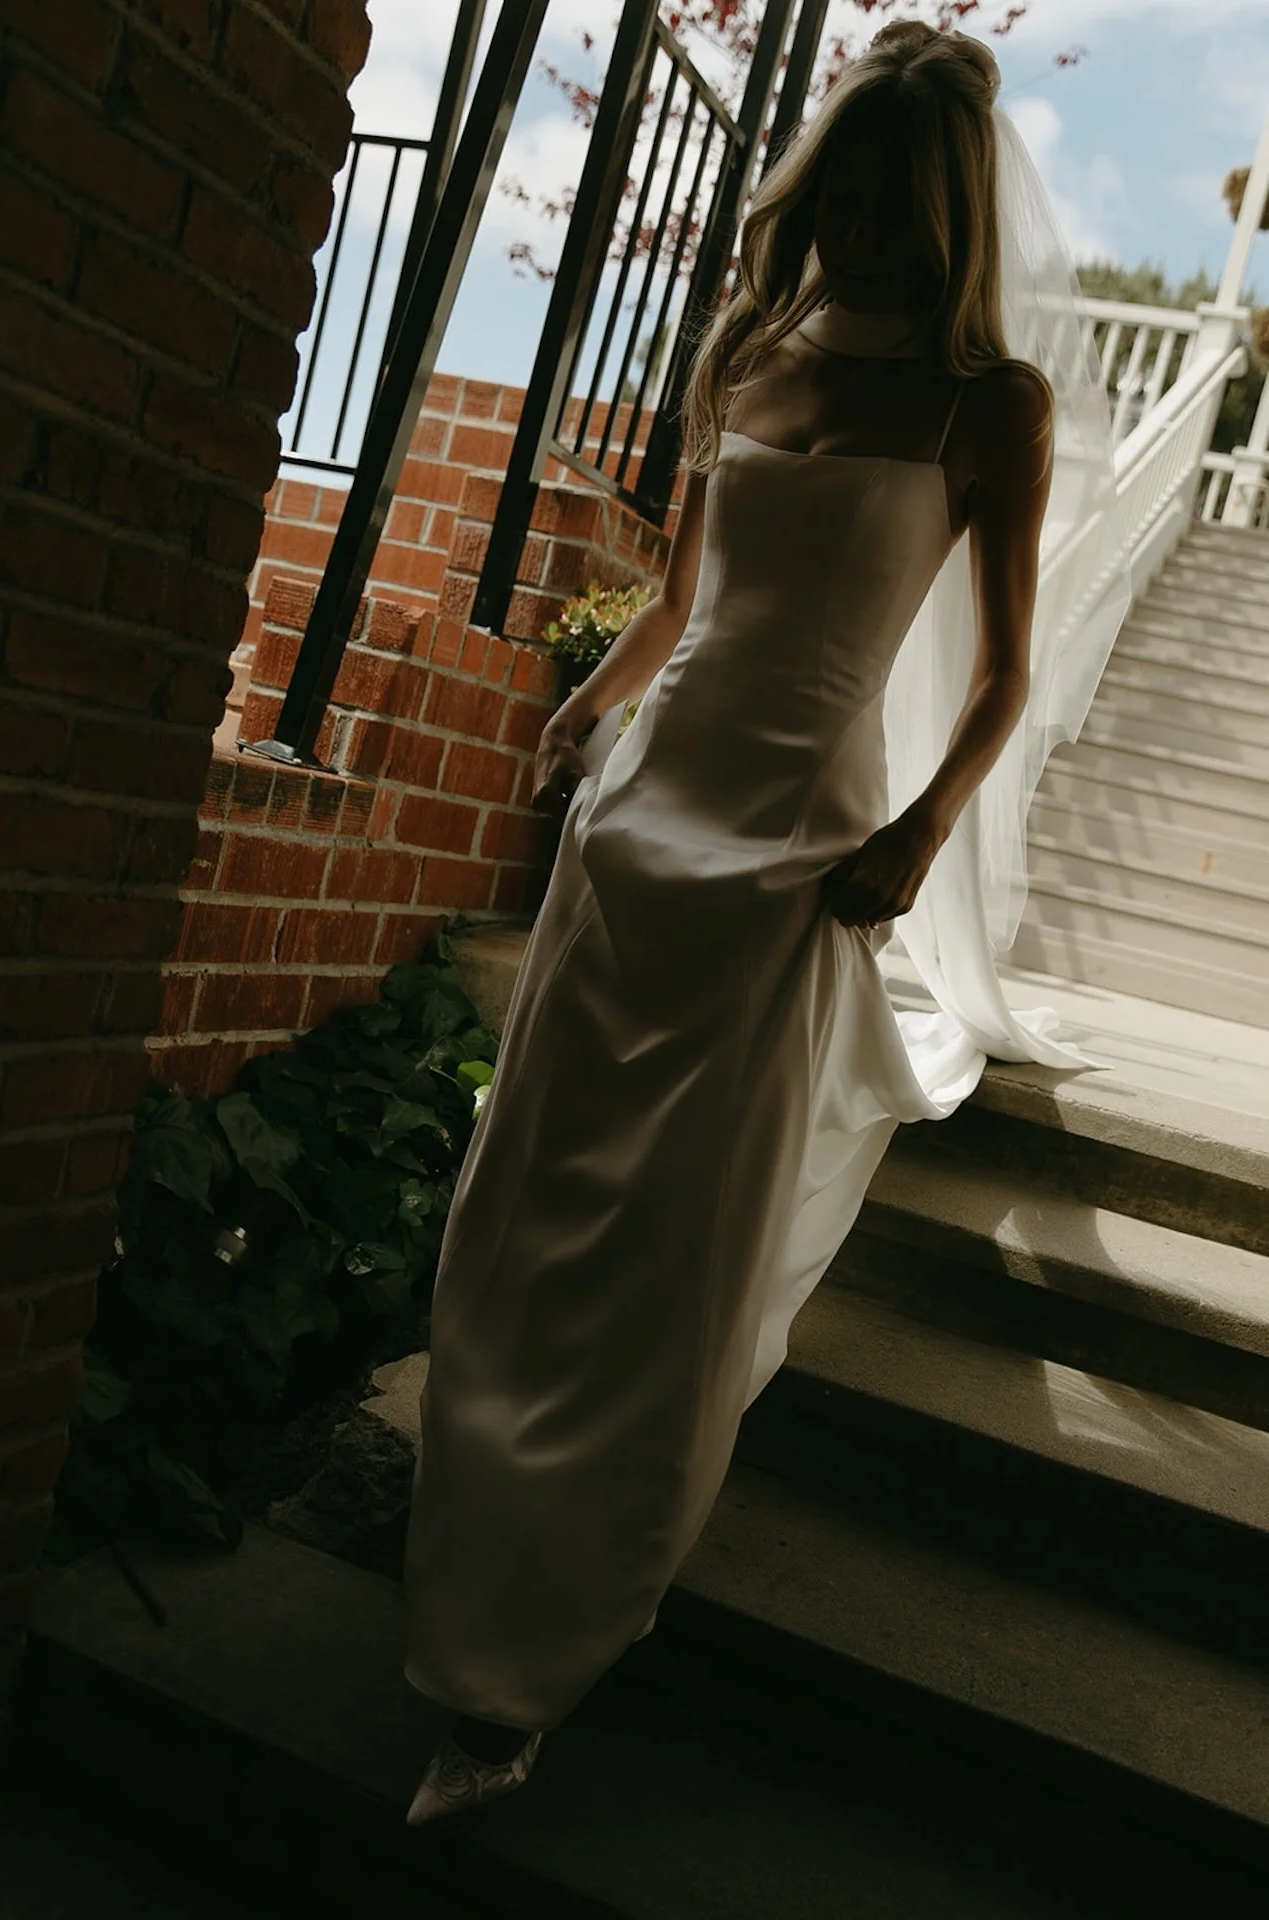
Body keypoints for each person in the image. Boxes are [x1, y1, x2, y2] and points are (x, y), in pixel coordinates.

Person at [401, 19, 1126, 1826]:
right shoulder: (748, 346)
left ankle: (531, 1662)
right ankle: (464, 1548)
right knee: (525, 1213)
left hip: (797, 859)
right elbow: (684, 594)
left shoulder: (990, 409)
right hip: (638, 832)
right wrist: (591, 711)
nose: (858, 236)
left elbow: (1007, 674)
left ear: (946, 218)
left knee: (672, 1263)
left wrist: (917, 832)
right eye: (840, 201)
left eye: (892, 211)